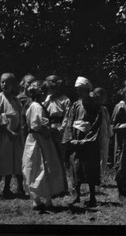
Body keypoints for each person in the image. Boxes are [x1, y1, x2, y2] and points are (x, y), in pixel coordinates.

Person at [22, 80, 66, 212]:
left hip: (33, 139)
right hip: (39, 140)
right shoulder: (37, 106)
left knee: (34, 167)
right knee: (43, 166)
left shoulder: (32, 105)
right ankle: (44, 200)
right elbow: (39, 125)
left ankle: (38, 200)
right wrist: (50, 131)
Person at [62, 76, 102, 207]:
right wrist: (70, 139)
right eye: (77, 90)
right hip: (76, 141)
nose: (79, 93)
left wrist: (87, 140)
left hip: (88, 143)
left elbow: (96, 124)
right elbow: (69, 122)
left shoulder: (95, 105)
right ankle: (77, 195)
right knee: (76, 167)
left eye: (81, 90)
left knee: (90, 168)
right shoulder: (75, 105)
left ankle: (92, 196)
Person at [0, 73, 26, 199]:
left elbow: (21, 116)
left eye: (7, 82)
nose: (4, 84)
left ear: (13, 85)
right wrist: (8, 131)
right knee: (2, 160)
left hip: (16, 135)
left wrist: (19, 131)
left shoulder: (16, 100)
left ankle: (8, 188)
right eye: (2, 82)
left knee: (14, 161)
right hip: (3, 135)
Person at [42, 75, 71, 193]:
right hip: (47, 130)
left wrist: (61, 130)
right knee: (48, 158)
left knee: (60, 158)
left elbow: (67, 117)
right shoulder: (45, 99)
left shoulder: (65, 100)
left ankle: (62, 187)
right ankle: (49, 186)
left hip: (59, 130)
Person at [93, 87, 113, 178]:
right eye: (104, 97)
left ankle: (101, 175)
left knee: (104, 155)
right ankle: (95, 175)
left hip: (104, 134)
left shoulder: (104, 109)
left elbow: (108, 122)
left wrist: (109, 134)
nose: (105, 99)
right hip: (94, 135)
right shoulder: (92, 108)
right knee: (95, 156)